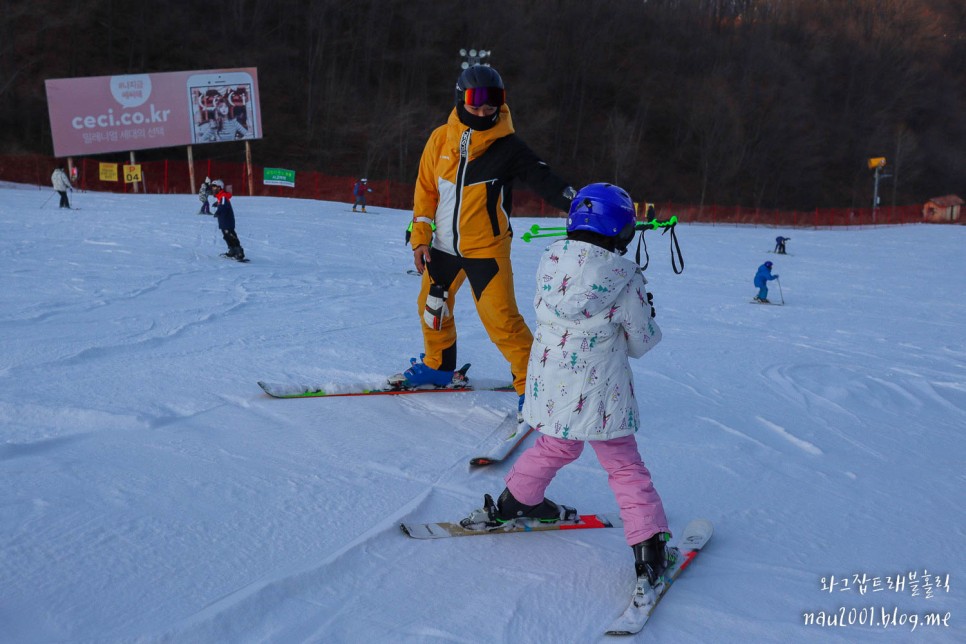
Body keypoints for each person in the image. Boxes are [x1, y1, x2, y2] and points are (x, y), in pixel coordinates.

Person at [464, 183, 672, 587]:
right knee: (624, 464)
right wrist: (646, 313)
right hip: (600, 391)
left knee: (555, 444)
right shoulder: (624, 276)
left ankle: (514, 502)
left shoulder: (550, 259)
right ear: (622, 229)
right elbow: (641, 342)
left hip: (551, 379)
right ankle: (649, 546)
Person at [389, 64, 576, 419]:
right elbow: (425, 192)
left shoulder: (507, 147)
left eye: (493, 101)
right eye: (475, 101)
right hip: (441, 248)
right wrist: (420, 239)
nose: (483, 109)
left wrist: (579, 201)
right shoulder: (440, 139)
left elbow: (544, 179)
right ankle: (439, 366)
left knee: (503, 322)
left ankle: (531, 386)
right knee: (432, 312)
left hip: (486, 251)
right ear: (460, 99)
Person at [210, 179, 245, 260]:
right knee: (226, 236)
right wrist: (217, 204)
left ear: (219, 188)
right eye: (212, 187)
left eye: (214, 187)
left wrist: (218, 211)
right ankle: (232, 250)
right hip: (224, 222)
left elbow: (223, 206)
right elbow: (222, 203)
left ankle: (239, 252)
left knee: (231, 236)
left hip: (227, 221)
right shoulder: (221, 197)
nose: (213, 189)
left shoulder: (223, 196)